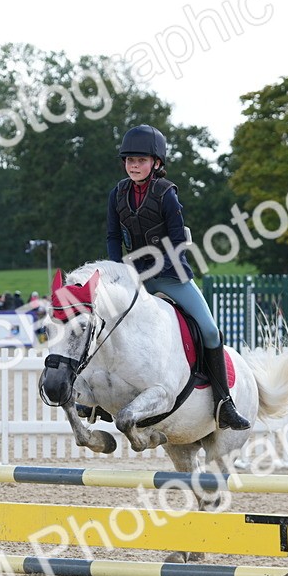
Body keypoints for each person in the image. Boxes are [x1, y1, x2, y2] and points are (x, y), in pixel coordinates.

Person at [105, 124, 249, 430]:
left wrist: (152, 269)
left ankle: (224, 403)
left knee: (210, 332)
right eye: (129, 160)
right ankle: (98, 398)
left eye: (141, 160)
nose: (134, 165)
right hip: (134, 278)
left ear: (156, 163)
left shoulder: (166, 194)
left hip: (171, 275)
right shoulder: (117, 194)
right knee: (106, 323)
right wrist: (118, 273)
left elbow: (177, 240)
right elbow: (112, 237)